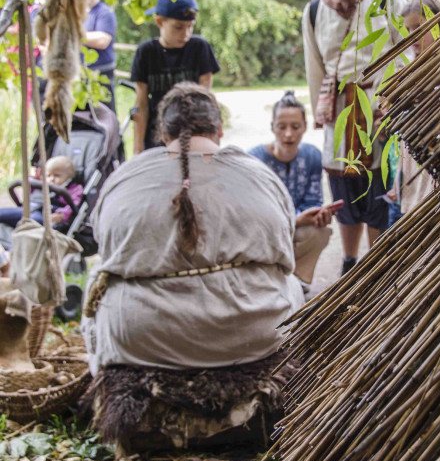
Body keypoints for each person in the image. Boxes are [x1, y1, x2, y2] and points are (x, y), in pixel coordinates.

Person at [81, 82, 303, 374]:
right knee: (293, 284)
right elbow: (285, 257)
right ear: (219, 130)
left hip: (140, 338)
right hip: (253, 333)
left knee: (96, 278)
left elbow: (104, 245)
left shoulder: (125, 177)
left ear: (162, 134)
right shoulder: (260, 175)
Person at [302, 0, 407, 274]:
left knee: (379, 187)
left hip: (380, 109)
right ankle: (350, 262)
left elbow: (406, 48)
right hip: (339, 114)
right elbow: (314, 66)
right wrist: (322, 116)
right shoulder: (314, 10)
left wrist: (395, 105)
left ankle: (377, 266)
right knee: (345, 189)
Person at [249, 91, 333, 290]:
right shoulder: (253, 159)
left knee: (320, 231)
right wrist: (295, 220)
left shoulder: (312, 155)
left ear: (305, 127)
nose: (288, 134)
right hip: (264, 231)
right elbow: (252, 214)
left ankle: (297, 282)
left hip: (295, 227)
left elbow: (313, 200)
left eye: (295, 127)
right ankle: (266, 282)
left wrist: (316, 215)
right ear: (272, 128)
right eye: (281, 127)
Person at [131, 0, 220, 153]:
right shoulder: (146, 52)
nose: (185, 34)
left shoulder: (200, 48)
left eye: (190, 27)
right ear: (159, 22)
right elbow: (141, 104)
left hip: (194, 132)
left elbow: (206, 99)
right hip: (158, 133)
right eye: (178, 27)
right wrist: (137, 151)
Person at [386, 0, 440, 216]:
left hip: (436, 161)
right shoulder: (409, 73)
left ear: (438, 22)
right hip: (414, 162)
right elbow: (404, 139)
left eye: (419, 27)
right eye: (408, 31)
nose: (413, 37)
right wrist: (397, 179)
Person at [0, 156, 83, 229]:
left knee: (32, 222)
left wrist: (61, 215)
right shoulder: (41, 183)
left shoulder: (73, 189)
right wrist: (35, 179)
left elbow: (73, 205)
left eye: (57, 175)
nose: (51, 179)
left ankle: (16, 245)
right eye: (48, 175)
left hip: (44, 216)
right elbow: (29, 191)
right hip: (27, 209)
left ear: (70, 177)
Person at [85, 0, 118, 112]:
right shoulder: (80, 13)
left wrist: (75, 34)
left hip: (101, 75)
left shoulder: (104, 12)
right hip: (83, 75)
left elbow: (102, 40)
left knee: (106, 114)